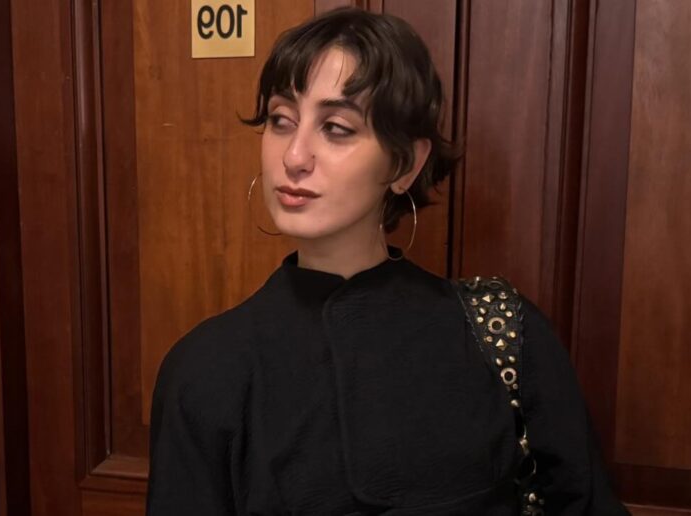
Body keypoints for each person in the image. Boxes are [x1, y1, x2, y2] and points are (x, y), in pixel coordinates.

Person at [146, 7, 628, 515]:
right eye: (281, 120)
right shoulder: (206, 370)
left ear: (405, 164)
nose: (294, 157)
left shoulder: (503, 333)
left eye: (336, 127)